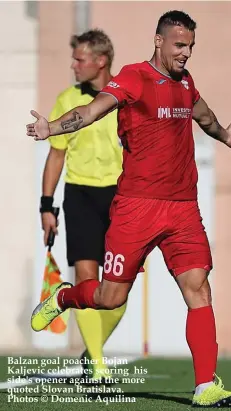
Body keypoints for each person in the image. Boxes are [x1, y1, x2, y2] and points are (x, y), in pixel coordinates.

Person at [27, 11, 231, 408]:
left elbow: (205, 116)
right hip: (136, 208)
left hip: (182, 208)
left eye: (191, 46)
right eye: (180, 45)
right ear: (159, 41)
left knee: (198, 289)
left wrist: (224, 136)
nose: (186, 53)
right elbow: (91, 112)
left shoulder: (186, 82)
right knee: (110, 298)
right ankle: (63, 297)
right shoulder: (133, 77)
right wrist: (52, 127)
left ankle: (204, 386)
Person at [39, 29, 126, 381]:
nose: (73, 65)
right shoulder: (66, 99)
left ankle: (93, 351)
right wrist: (47, 206)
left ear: (100, 61)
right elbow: (56, 155)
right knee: (87, 279)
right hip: (80, 196)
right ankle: (99, 368)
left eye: (79, 59)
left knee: (118, 290)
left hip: (123, 199)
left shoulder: (127, 95)